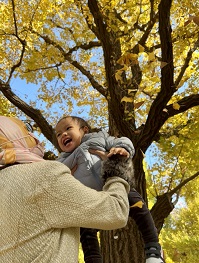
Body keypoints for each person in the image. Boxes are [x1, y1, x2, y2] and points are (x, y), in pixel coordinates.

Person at [0, 116, 133, 263]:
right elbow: (116, 211)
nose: (32, 135)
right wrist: (116, 169)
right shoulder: (44, 175)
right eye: (25, 129)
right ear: (12, 136)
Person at [55, 116, 165, 263]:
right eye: (58, 134)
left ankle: (153, 252)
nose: (63, 134)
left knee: (139, 207)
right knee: (85, 231)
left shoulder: (99, 139)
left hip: (112, 185)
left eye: (68, 129)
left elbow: (122, 141)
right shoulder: (63, 159)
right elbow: (55, 174)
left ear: (84, 130)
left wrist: (122, 149)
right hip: (89, 199)